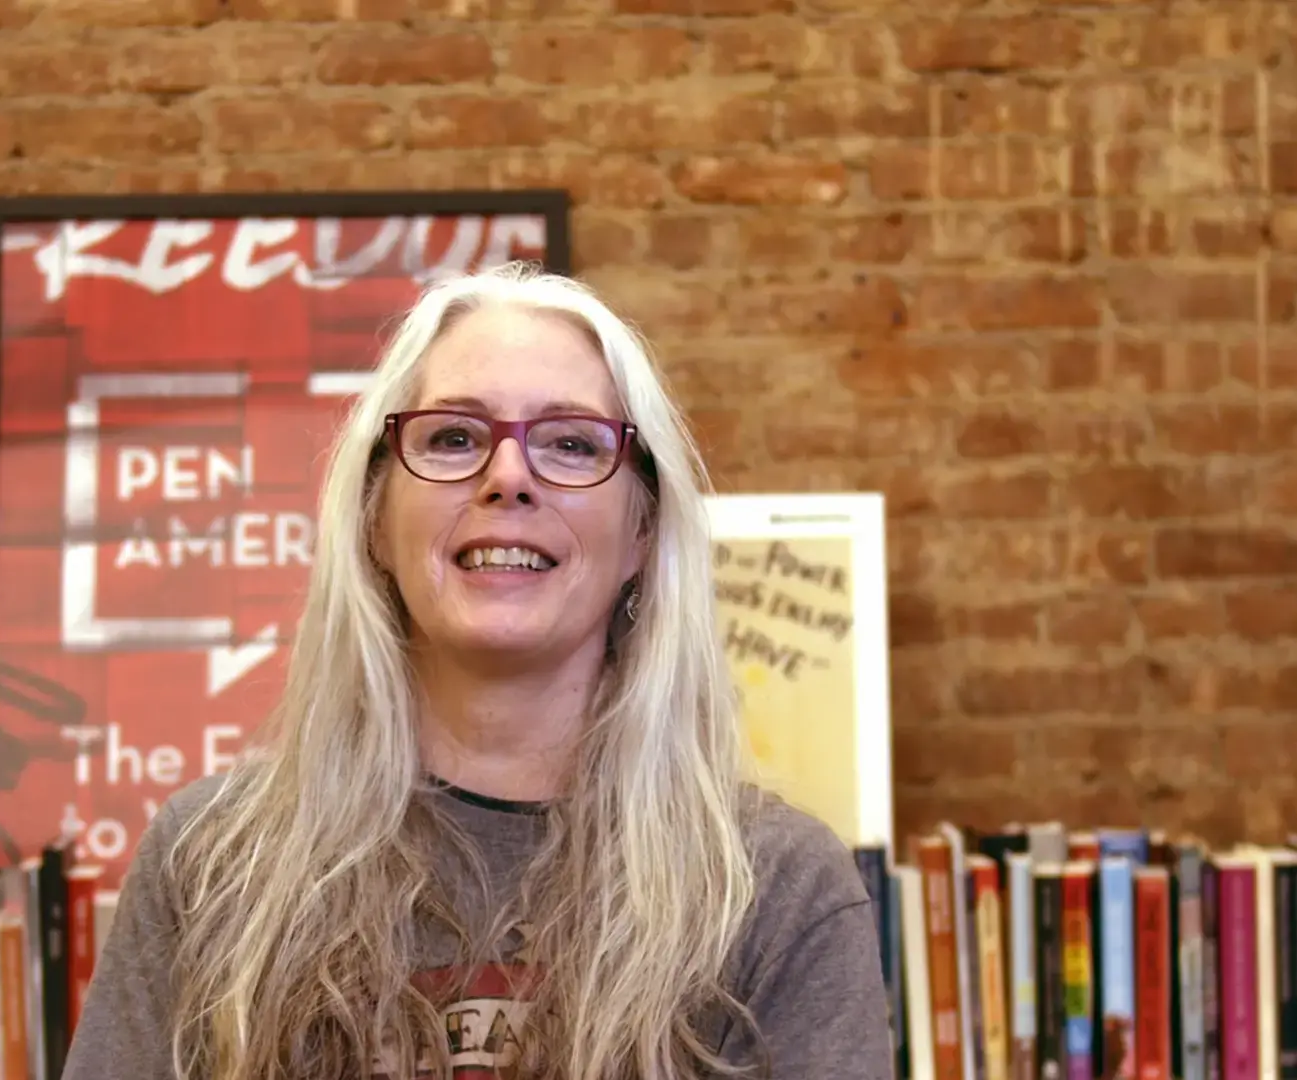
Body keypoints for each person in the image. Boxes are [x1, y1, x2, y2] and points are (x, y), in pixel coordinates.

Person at [62, 262, 894, 1080]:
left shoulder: (774, 891)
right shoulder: (209, 860)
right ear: (374, 523)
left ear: (642, 533)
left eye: (572, 444)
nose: (508, 478)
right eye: (454, 438)